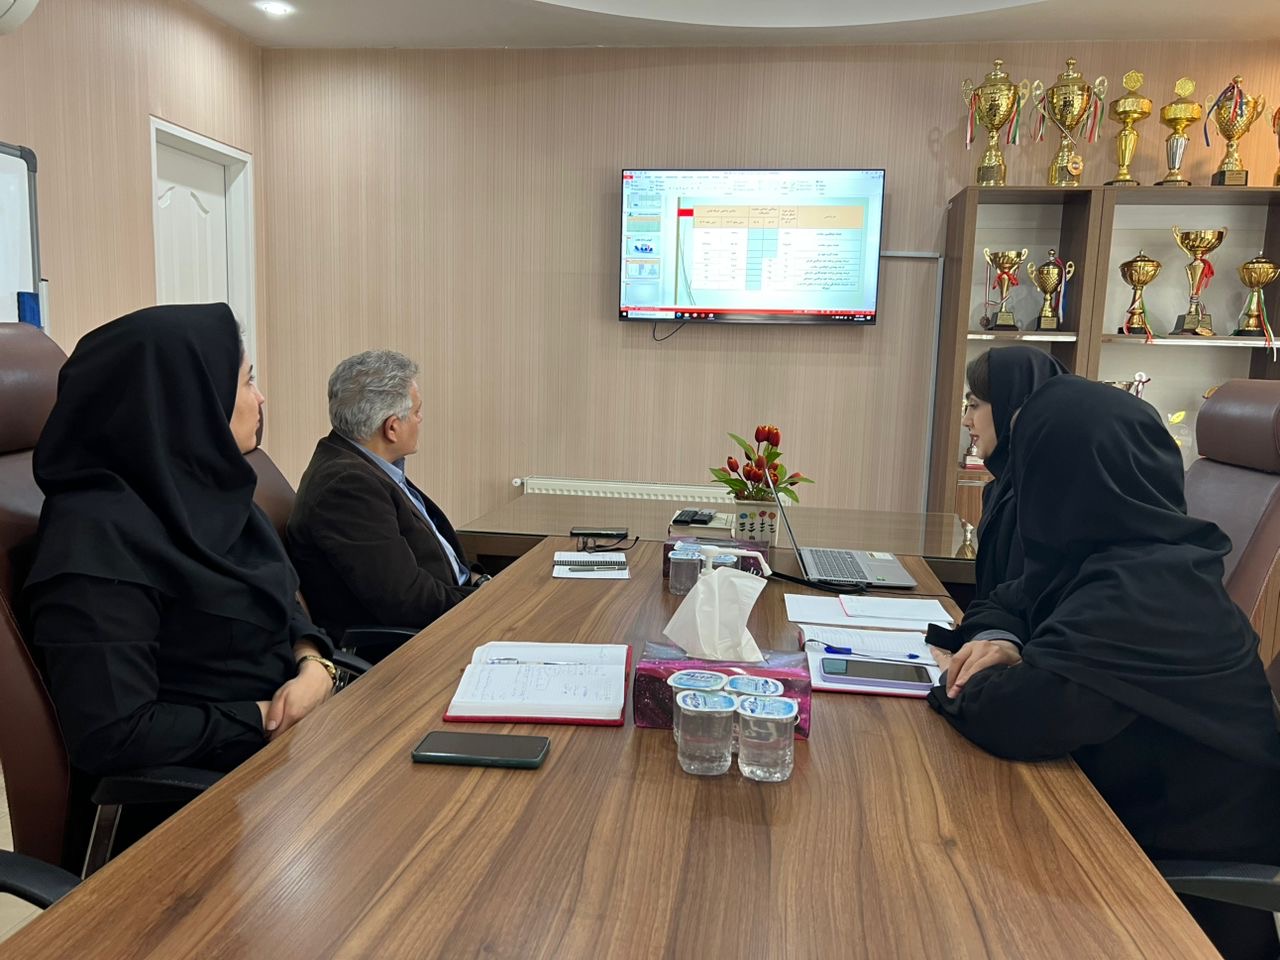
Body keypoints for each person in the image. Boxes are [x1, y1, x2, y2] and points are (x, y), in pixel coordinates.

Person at [930, 376, 1280, 960]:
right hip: (1115, 823)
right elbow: (1001, 601)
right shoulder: (1109, 554)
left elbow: (1017, 715)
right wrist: (999, 639)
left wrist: (986, 668)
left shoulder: (1149, 589)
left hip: (1174, 900)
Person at [23, 304, 337, 778]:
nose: (260, 398)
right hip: (221, 789)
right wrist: (264, 716)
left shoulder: (206, 495)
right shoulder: (93, 538)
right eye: (247, 381)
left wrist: (313, 664)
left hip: (294, 750)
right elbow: (114, 734)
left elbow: (278, 600)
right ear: (189, 400)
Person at [287, 350, 485, 648]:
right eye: (416, 411)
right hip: (418, 644)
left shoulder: (365, 464)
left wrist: (481, 583)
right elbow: (407, 601)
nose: (420, 418)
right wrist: (486, 601)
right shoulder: (347, 487)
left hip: (451, 607)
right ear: (392, 427)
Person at [961, 346, 1067, 604]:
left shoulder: (1044, 499)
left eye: (974, 406)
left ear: (1013, 407)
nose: (966, 420)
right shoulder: (999, 488)